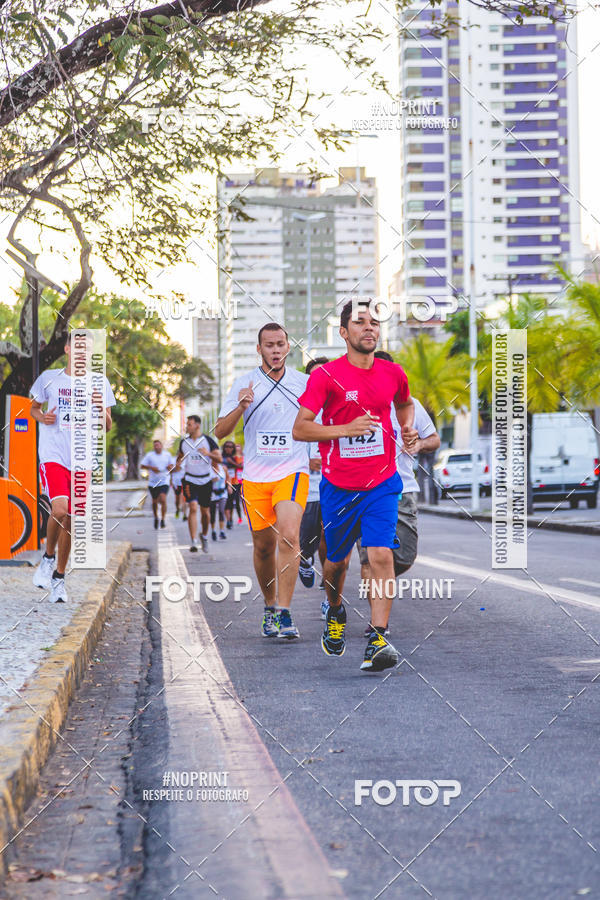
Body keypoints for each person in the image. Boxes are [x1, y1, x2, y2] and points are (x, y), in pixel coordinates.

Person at [293, 299, 418, 672]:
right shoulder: (325, 376)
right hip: (339, 486)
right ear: (344, 332)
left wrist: (407, 428)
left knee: (381, 556)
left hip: (382, 482)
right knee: (335, 565)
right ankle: (334, 610)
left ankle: (378, 639)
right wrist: (344, 429)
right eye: (360, 322)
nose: (369, 328)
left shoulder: (392, 372)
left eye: (374, 323)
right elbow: (300, 428)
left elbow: (405, 403)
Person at [214, 322, 309, 640]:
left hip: (292, 471)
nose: (276, 350)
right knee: (264, 547)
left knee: (289, 536)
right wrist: (241, 406)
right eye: (269, 345)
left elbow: (322, 421)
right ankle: (269, 606)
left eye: (281, 344)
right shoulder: (244, 383)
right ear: (259, 349)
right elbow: (220, 431)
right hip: (255, 477)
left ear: (288, 347)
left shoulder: (303, 384)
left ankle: (284, 612)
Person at [357, 351, 441, 636]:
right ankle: (377, 623)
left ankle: (383, 581)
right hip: (364, 492)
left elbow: (434, 439)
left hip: (402, 489)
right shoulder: (356, 405)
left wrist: (418, 444)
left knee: (403, 556)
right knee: (370, 560)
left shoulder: (411, 405)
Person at [30, 332, 115, 603]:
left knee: (72, 519)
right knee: (59, 509)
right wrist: (42, 416)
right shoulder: (49, 378)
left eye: (87, 350)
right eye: (78, 348)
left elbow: (108, 425)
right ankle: (47, 557)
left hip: (83, 458)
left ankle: (58, 577)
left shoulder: (99, 382)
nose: (82, 354)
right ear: (67, 349)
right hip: (54, 453)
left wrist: (101, 409)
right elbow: (33, 408)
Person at [297, 358, 329, 605]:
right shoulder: (301, 410)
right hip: (308, 489)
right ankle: (305, 558)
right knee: (308, 540)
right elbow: (289, 442)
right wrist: (306, 463)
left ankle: (328, 585)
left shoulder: (339, 407)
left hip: (334, 486)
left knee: (329, 536)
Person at [175, 415, 221, 552]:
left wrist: (208, 454)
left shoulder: (208, 441)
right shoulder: (184, 442)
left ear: (197, 425)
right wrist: (176, 466)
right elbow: (179, 460)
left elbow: (219, 458)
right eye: (187, 424)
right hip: (189, 479)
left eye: (189, 424)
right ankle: (193, 541)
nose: (187, 427)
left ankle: (204, 536)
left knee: (205, 512)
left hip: (205, 480)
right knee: (193, 507)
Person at [140, 439, 174, 529]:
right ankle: (156, 517)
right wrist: (151, 468)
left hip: (164, 481)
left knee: (163, 499)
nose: (157, 447)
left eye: (158, 445)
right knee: (154, 502)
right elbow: (142, 465)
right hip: (153, 483)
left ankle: (163, 519)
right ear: (153, 447)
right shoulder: (150, 455)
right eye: (155, 445)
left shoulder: (167, 455)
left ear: (161, 446)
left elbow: (172, 466)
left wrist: (169, 467)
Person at [222, 440, 243, 528]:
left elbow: (241, 466)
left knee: (232, 501)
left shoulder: (235, 458)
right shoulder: (221, 457)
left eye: (231, 447)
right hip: (223, 482)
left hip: (234, 482)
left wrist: (232, 462)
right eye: (226, 446)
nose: (228, 448)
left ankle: (231, 519)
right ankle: (228, 520)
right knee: (226, 501)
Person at [210, 458, 230, 540]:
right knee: (213, 513)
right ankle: (213, 531)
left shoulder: (223, 468)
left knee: (221, 511)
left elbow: (228, 478)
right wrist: (212, 480)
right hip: (212, 493)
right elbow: (204, 480)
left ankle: (222, 531)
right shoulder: (208, 469)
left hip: (222, 493)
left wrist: (229, 487)